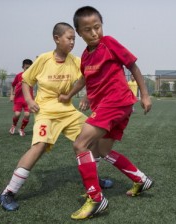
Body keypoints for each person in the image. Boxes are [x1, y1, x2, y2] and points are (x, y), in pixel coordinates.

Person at [0, 22, 112, 212]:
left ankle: (94, 179)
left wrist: (87, 95)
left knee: (93, 138)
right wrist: (29, 99)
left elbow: (89, 77)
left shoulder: (76, 61)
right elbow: (26, 81)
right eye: (69, 38)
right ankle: (8, 192)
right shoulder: (43, 59)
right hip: (46, 112)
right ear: (57, 39)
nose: (73, 42)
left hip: (68, 111)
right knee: (39, 147)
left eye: (74, 39)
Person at [58, 6, 153, 220]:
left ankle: (96, 198)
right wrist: (70, 95)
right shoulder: (85, 55)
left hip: (115, 102)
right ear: (79, 33)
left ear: (102, 26)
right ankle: (140, 179)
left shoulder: (108, 42)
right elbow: (84, 79)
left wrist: (145, 95)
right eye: (87, 30)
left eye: (97, 27)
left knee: (80, 144)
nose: (94, 33)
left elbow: (133, 66)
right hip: (112, 106)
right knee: (101, 150)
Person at [9, 59, 33, 136]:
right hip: (18, 98)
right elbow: (13, 85)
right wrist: (12, 95)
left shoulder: (33, 76)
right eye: (26, 68)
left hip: (28, 99)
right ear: (23, 67)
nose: (28, 69)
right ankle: (13, 125)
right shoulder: (19, 76)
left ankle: (21, 129)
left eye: (30, 68)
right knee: (17, 114)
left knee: (27, 115)